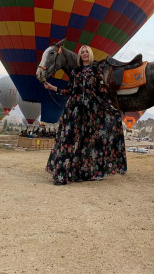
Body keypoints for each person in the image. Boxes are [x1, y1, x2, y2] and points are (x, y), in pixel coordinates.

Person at [43, 45, 127, 185]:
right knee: (67, 141)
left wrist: (111, 109)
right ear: (79, 56)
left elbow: (102, 92)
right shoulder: (75, 72)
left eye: (87, 51)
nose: (85, 53)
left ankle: (85, 172)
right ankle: (62, 174)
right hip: (73, 111)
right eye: (82, 52)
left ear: (91, 54)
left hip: (90, 114)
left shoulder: (96, 71)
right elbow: (70, 91)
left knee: (88, 143)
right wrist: (53, 88)